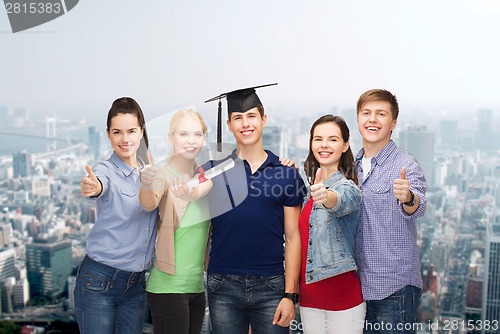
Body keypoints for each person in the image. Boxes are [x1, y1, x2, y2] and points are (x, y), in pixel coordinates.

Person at [202, 84, 306, 333]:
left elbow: (293, 238)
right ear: (228, 124)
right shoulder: (212, 171)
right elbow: (199, 226)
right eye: (238, 118)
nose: (245, 124)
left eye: (251, 116)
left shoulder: (286, 174)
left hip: (271, 286)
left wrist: (290, 295)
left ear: (264, 119)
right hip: (222, 284)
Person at [75, 97, 158, 334]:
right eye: (117, 132)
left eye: (131, 131)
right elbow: (100, 184)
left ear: (141, 132)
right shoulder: (106, 170)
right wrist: (94, 186)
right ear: (109, 135)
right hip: (98, 281)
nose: (125, 139)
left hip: (135, 285)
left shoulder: (149, 173)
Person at [354, 89, 427, 334]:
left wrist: (408, 197)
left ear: (393, 122)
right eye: (366, 113)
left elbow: (418, 206)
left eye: (381, 114)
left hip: (394, 289)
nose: (372, 119)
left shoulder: (405, 164)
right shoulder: (351, 166)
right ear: (358, 119)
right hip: (355, 290)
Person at [139, 108, 211, 334]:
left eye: (197, 134)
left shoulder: (205, 176)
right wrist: (147, 182)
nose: (191, 141)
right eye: (183, 134)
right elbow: (149, 203)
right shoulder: (163, 175)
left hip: (197, 288)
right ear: (171, 138)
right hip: (168, 288)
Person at [298, 115, 365, 334]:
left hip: (343, 298)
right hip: (308, 299)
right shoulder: (306, 192)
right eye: (318, 139)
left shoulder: (349, 188)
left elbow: (339, 201)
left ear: (345, 145)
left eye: (333, 139)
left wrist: (326, 195)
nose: (324, 145)